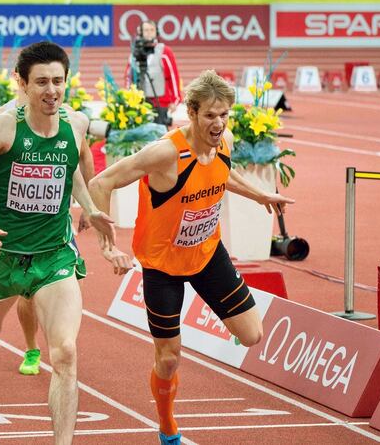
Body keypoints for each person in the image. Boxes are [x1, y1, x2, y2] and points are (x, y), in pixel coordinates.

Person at [88, 69, 295, 445]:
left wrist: (260, 195)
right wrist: (107, 243)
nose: (218, 124)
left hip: (206, 254)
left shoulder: (224, 142)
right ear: (192, 113)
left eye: (224, 116)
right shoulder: (166, 153)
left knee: (252, 334)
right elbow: (100, 182)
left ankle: (214, 313)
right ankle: (167, 427)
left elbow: (222, 176)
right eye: (210, 116)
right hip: (161, 265)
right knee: (168, 359)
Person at [0, 41, 116, 445]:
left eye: (58, 81)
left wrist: (89, 207)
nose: (51, 91)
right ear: (22, 83)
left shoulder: (75, 124)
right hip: (3, 255)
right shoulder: (3, 125)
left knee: (65, 353)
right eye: (41, 82)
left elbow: (70, 170)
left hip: (53, 256)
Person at [126, 20, 181, 127]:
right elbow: (129, 77)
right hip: (139, 102)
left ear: (156, 32)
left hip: (160, 102)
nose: (149, 33)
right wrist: (129, 97)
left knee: (160, 136)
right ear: (140, 33)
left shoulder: (165, 51)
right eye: (146, 30)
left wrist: (175, 99)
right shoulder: (135, 52)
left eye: (152, 30)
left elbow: (173, 76)